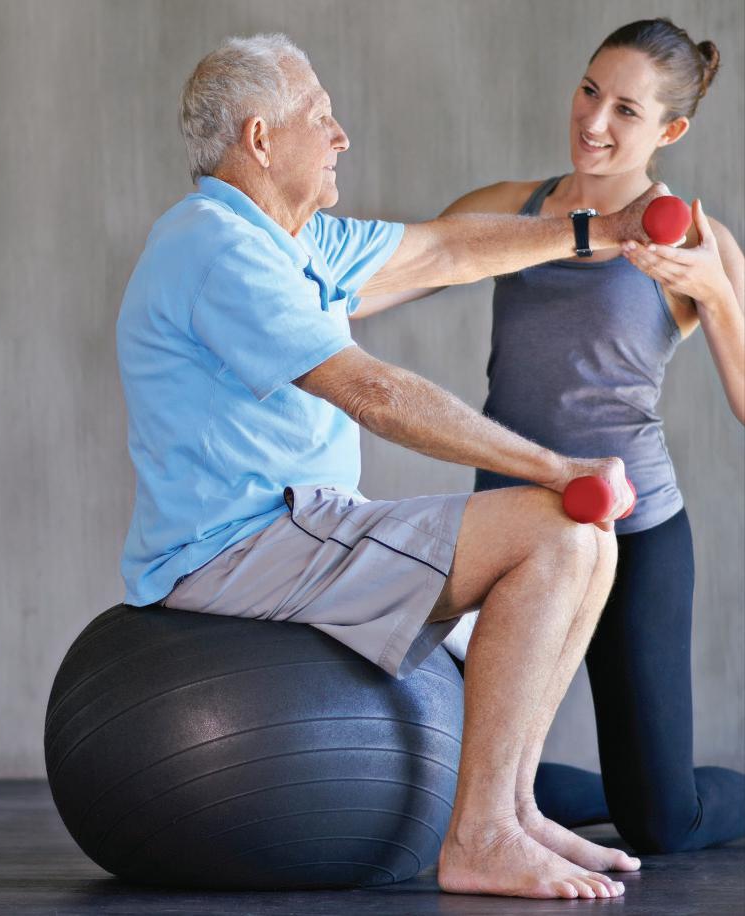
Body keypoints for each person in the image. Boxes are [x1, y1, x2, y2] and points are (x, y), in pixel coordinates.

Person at [116, 33, 662, 899]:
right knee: (555, 530)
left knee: (585, 537)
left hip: (302, 525)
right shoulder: (215, 247)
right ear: (260, 139)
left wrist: (599, 229)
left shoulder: (295, 241)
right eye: (320, 117)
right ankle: (479, 835)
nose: (340, 137)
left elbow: (447, 249)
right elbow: (371, 393)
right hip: (237, 546)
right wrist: (553, 466)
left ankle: (514, 812)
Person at [423, 18, 744, 854]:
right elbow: (399, 265)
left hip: (632, 532)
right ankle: (620, 787)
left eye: (626, 110)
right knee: (456, 780)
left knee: (662, 825)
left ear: (671, 130)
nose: (594, 120)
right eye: (590, 90)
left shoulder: (700, 244)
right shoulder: (510, 207)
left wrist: (716, 290)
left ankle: (660, 792)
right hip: (508, 527)